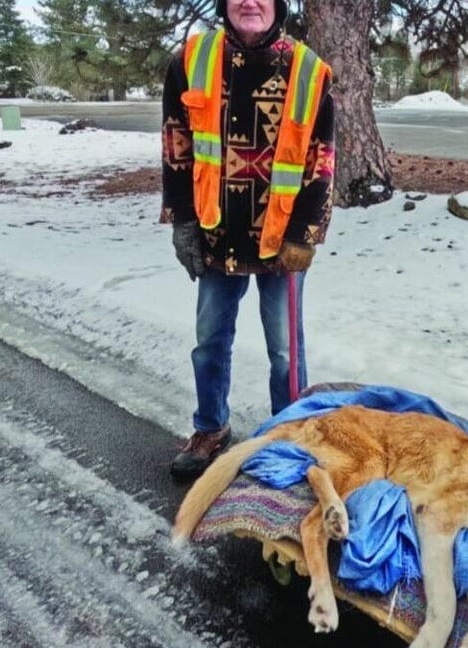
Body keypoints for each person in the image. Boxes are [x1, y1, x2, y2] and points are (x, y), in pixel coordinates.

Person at [161, 0, 335, 479]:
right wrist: (182, 220)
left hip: (280, 238)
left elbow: (322, 161)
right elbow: (176, 144)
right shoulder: (191, 61)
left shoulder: (307, 71)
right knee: (210, 340)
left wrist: (306, 234)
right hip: (217, 232)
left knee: (284, 350)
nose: (249, 3)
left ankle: (289, 437)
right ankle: (212, 428)